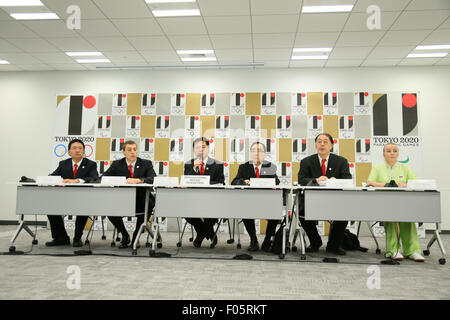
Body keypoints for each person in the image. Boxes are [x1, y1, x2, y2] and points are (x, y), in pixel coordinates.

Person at [366, 143, 425, 262]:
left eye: (394, 150)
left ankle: (412, 251)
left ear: (398, 153)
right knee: (391, 220)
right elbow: (370, 182)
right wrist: (386, 185)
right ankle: (393, 250)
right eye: (388, 151)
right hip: (385, 202)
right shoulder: (378, 168)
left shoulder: (405, 168)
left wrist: (405, 184)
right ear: (383, 154)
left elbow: (416, 183)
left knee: (408, 222)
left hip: (403, 202)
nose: (392, 153)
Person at [298, 133, 352, 255]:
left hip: (335, 200)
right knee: (302, 213)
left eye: (325, 141)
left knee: (344, 213)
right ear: (316, 145)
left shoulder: (341, 161)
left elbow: (347, 180)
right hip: (312, 199)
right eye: (319, 141)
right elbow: (301, 179)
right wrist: (315, 180)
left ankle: (333, 245)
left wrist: (335, 181)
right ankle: (315, 241)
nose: (322, 144)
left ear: (331, 145)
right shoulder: (306, 161)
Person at [101, 140, 156, 249]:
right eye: (129, 150)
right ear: (124, 152)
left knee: (148, 205)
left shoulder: (146, 163)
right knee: (109, 208)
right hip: (122, 199)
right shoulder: (117, 164)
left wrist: (139, 180)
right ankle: (125, 235)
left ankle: (136, 235)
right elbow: (104, 177)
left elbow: (153, 178)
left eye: (135, 149)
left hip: (142, 198)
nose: (132, 152)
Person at [46, 139, 99, 247]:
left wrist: (77, 180)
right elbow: (53, 177)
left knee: (83, 208)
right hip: (65, 198)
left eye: (80, 148)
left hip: (83, 198)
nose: (77, 150)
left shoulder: (90, 164)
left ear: (84, 151)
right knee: (50, 208)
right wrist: (53, 180)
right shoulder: (63, 164)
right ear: (69, 151)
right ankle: (61, 237)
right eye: (74, 148)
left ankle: (77, 238)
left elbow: (94, 178)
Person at [231, 142, 280, 252]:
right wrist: (243, 181)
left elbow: (276, 181)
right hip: (249, 201)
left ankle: (267, 240)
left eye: (259, 151)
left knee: (275, 213)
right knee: (245, 210)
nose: (256, 153)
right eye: (253, 151)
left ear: (264, 154)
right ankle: (253, 240)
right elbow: (234, 181)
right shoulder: (244, 167)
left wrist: (262, 181)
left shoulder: (270, 166)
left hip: (267, 202)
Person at [184, 137, 225, 248]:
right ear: (193, 150)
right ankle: (207, 232)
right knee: (184, 209)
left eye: (203, 147)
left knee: (214, 210)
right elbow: (186, 181)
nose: (200, 150)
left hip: (212, 199)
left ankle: (201, 234)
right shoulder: (188, 164)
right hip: (193, 199)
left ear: (208, 149)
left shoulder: (218, 164)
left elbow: (221, 182)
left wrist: (205, 182)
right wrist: (193, 169)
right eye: (197, 147)